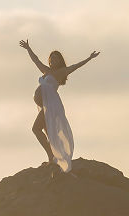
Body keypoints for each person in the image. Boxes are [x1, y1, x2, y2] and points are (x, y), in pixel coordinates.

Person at [19, 39, 99, 173]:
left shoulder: (61, 72)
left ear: (60, 61)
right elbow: (36, 60)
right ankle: (52, 157)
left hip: (52, 106)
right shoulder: (46, 71)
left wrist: (89, 58)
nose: (53, 60)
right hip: (46, 106)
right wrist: (28, 48)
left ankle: (51, 156)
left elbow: (76, 66)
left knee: (36, 129)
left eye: (56, 58)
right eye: (52, 58)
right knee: (47, 133)